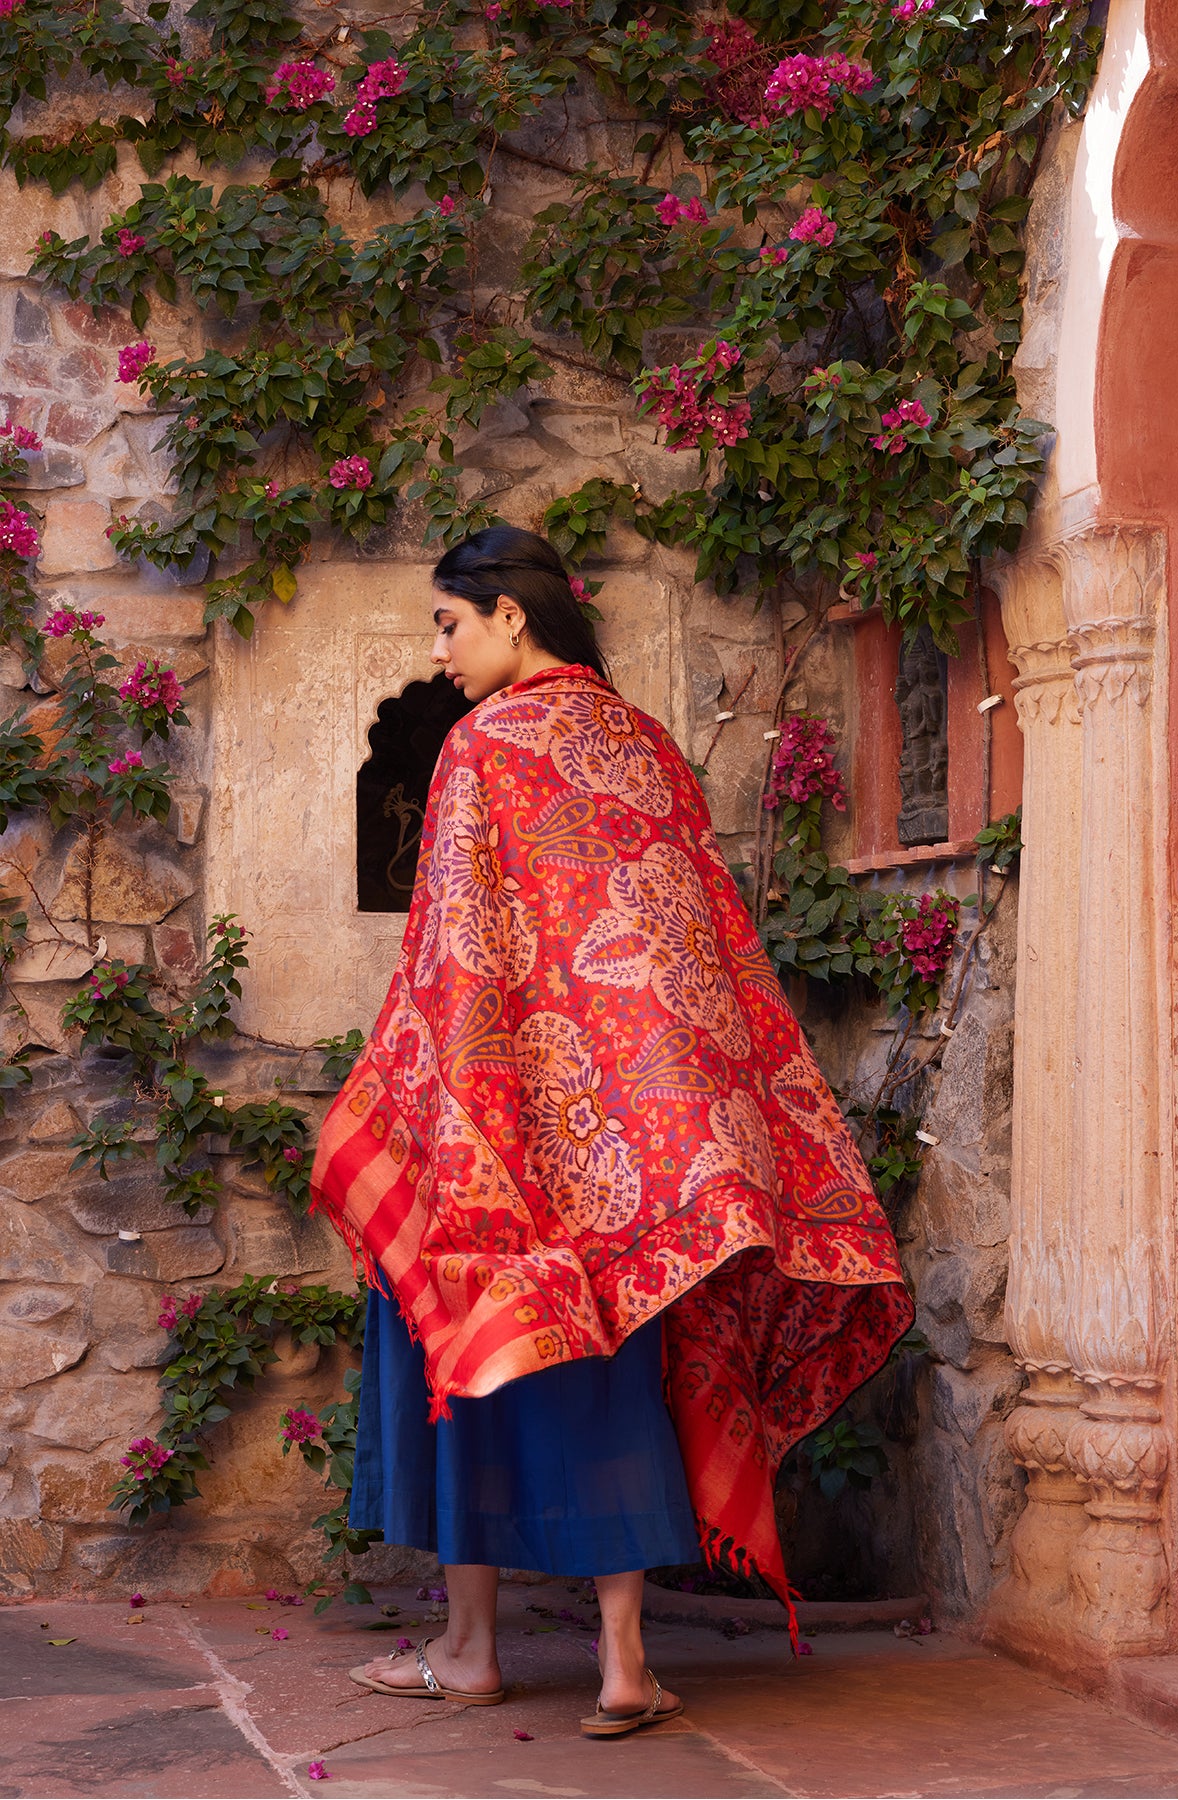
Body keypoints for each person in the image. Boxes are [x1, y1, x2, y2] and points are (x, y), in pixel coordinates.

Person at [311, 523, 914, 1738]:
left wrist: (420, 1105)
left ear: (511, 617)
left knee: (464, 1346)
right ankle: (625, 1665)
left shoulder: (483, 746)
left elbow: (456, 958)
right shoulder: (645, 745)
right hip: (639, 1145)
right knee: (616, 1379)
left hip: (507, 1127)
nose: (440, 654)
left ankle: (470, 1646)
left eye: (449, 622)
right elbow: (701, 950)